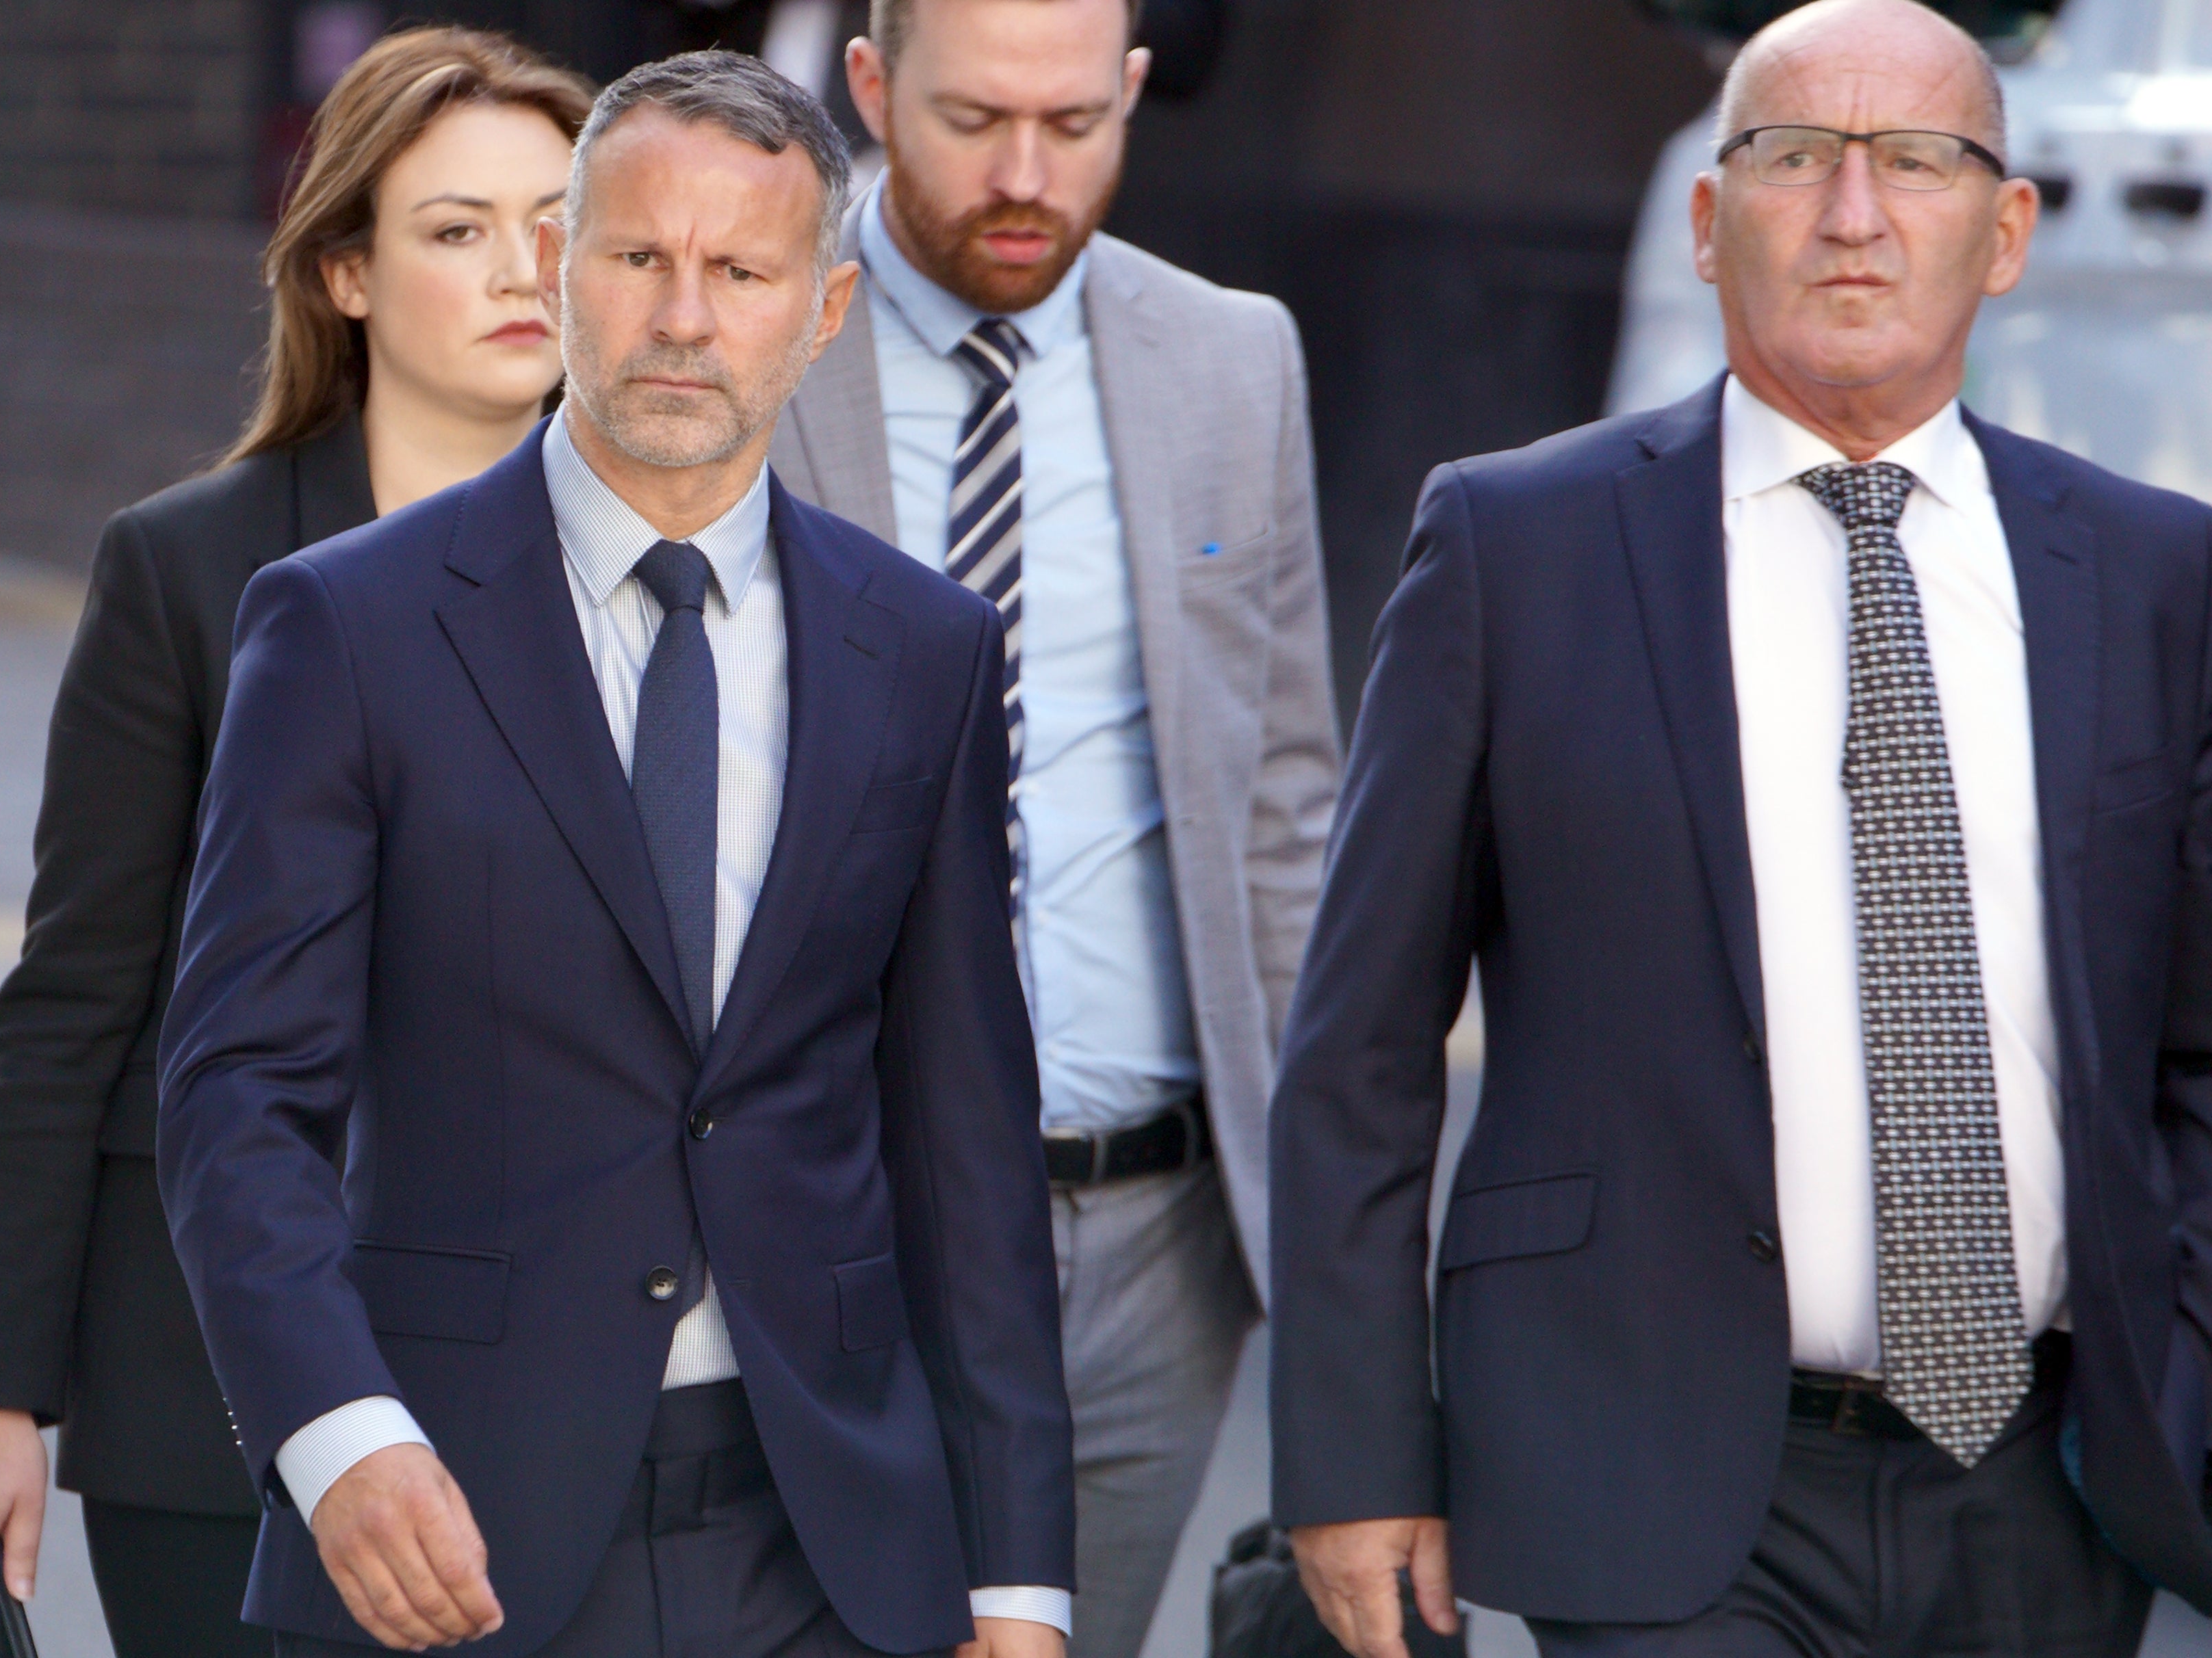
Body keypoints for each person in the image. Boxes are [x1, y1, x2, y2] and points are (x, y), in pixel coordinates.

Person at [1268, 2, 2212, 1655]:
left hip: (2050, 1487)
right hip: (1653, 1475)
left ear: (2004, 236)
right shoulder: (1512, 546)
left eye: (1916, 164)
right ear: (1708, 225)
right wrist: (1351, 1454)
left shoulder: (2154, 578)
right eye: (1793, 160)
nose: (1854, 216)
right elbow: (1359, 1045)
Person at [155, 51, 1076, 1658]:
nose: (682, 315)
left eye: (740, 271)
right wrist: (334, 1436)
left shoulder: (923, 649)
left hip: (825, 1534)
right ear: (561, 270)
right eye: (638, 256)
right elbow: (238, 1095)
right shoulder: (345, 626)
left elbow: (963, 1141)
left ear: (826, 310)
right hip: (447, 1523)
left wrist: (1015, 1579)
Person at [0, 29, 592, 1657]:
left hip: (576, 1385)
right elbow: (74, 1000)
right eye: (457, 229)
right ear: (345, 274)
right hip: (207, 1395)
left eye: (564, 224)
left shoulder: (680, 569)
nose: (527, 272)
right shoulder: (186, 569)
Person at [770, 2, 1335, 1651]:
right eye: (973, 120)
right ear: (869, 88)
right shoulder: (748, 331)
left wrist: (1326, 1255)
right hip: (831, 1216)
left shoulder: (1237, 359)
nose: (1025, 176)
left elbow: (1284, 810)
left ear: (1135, 94)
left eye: (1076, 124)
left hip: (1152, 1240)